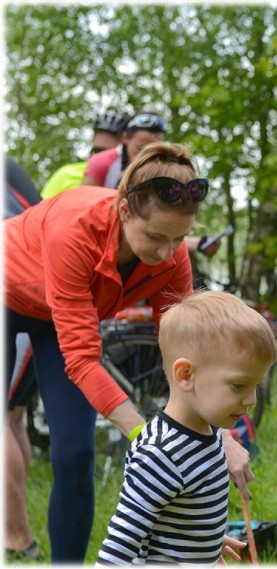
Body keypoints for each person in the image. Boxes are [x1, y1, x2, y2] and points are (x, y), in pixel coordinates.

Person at [4, 142, 253, 562]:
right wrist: (149, 438)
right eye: (155, 236)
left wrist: (220, 433)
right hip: (9, 296)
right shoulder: (75, 229)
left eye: (178, 239)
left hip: (54, 318)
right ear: (123, 211)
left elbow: (186, 349)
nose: (165, 254)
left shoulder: (171, 258)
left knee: (77, 454)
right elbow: (84, 360)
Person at [96, 291, 277, 565]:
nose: (251, 400)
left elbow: (181, 516)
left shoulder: (209, 429)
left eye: (256, 386)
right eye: (240, 385)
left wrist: (206, 543)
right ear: (186, 375)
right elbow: (121, 543)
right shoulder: (161, 455)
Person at [82, 111, 219, 257]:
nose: (149, 155)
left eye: (155, 147)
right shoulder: (101, 163)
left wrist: (197, 242)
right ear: (125, 138)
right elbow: (84, 215)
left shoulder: (163, 172)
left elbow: (161, 232)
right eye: (141, 148)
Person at [3, 157, 44, 562]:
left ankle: (17, 538)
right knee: (12, 418)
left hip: (19, 301)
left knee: (6, 420)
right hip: (33, 312)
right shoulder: (9, 167)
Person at [41, 111, 128, 199]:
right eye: (97, 151)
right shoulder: (66, 174)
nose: (100, 159)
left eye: (108, 155)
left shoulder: (130, 183)